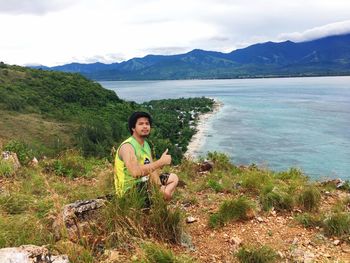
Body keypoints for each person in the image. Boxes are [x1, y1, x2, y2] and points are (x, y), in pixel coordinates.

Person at [114, 111, 178, 201]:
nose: (145, 126)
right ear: (133, 128)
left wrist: (160, 187)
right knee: (158, 192)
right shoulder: (127, 146)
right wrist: (160, 162)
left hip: (144, 183)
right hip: (130, 191)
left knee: (173, 178)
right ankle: (158, 204)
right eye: (140, 124)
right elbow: (135, 172)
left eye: (147, 124)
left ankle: (160, 203)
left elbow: (152, 170)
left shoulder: (146, 145)